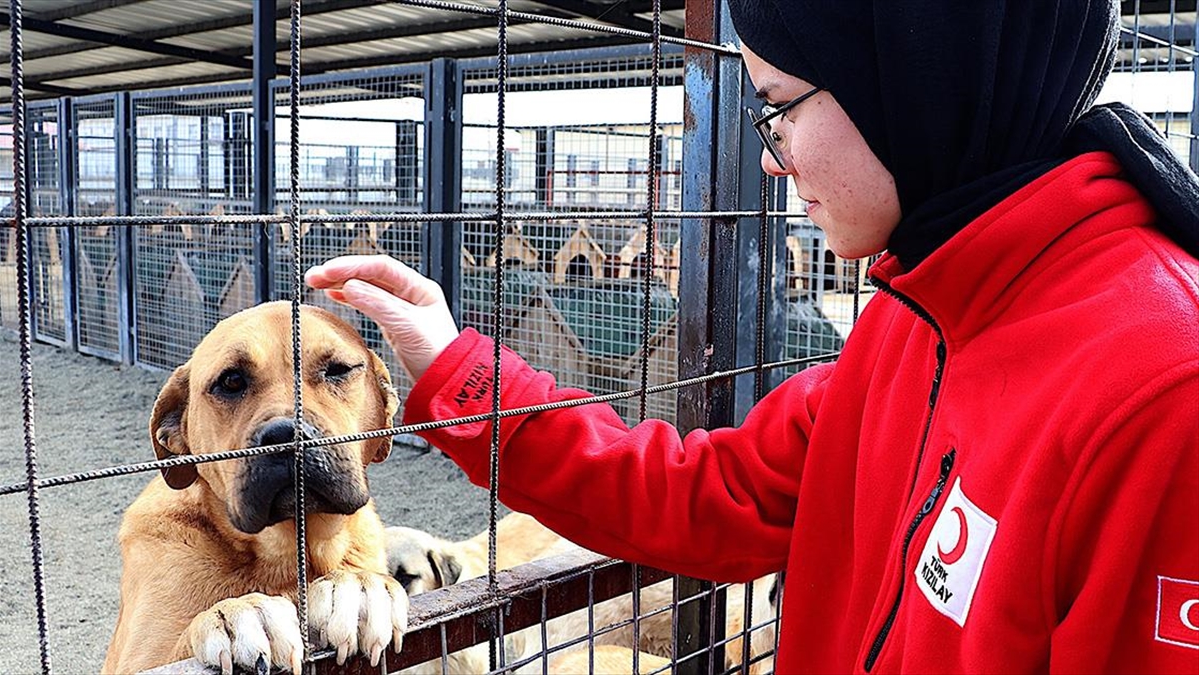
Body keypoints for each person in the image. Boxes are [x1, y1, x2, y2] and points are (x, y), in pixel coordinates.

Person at [306, 2, 1199, 672]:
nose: (771, 154)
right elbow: (708, 489)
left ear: (914, 87)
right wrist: (456, 364)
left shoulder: (1162, 396)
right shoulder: (918, 315)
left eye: (777, 106)